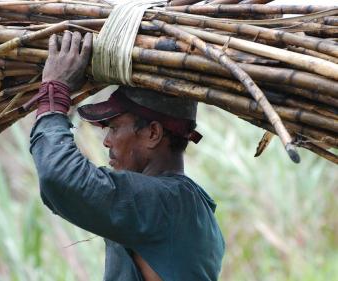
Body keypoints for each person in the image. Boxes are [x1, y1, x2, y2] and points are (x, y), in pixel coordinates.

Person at [28, 30, 225, 281]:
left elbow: (60, 176)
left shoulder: (165, 203)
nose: (107, 141)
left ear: (153, 133)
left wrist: (54, 93)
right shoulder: (189, 203)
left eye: (114, 128)